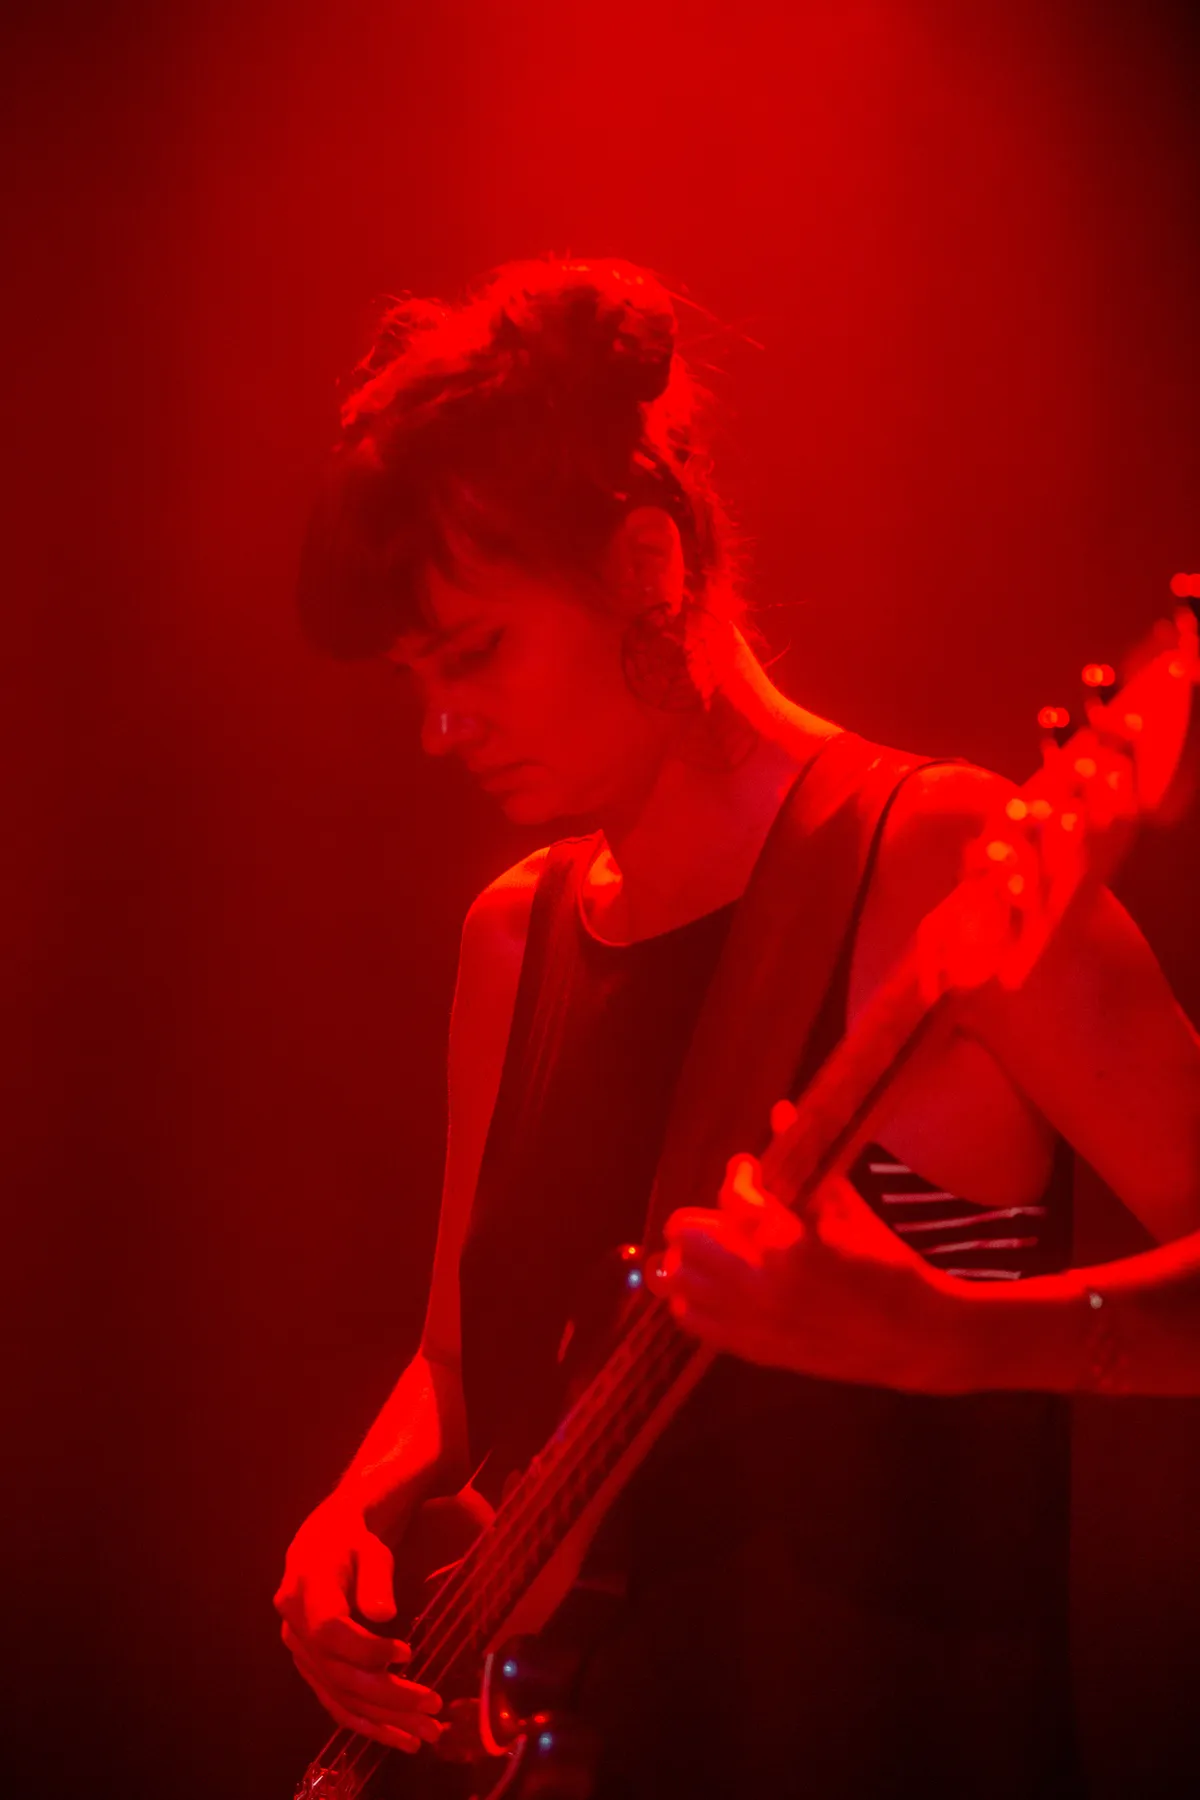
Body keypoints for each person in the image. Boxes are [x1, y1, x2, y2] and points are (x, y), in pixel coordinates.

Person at [274, 255, 1200, 1798]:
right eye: (413, 680)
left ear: (646, 564)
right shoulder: (513, 932)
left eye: (474, 652)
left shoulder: (938, 862)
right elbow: (458, 1361)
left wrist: (956, 1337)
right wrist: (348, 1513)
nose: (438, 728)